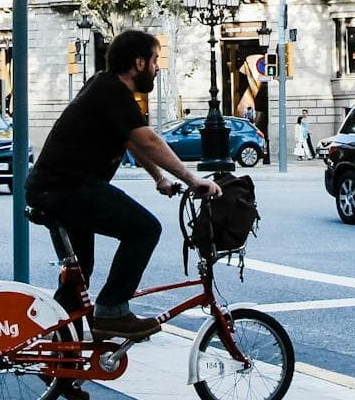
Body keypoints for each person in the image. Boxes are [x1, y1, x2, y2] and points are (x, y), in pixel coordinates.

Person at [27, 29, 220, 345]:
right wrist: (193, 179)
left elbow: (133, 140)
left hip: (57, 189)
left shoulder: (106, 88)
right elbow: (148, 139)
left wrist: (159, 178)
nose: (158, 67)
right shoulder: (112, 92)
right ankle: (112, 310)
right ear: (139, 63)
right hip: (66, 189)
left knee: (79, 279)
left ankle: (63, 366)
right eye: (155, 60)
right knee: (144, 229)